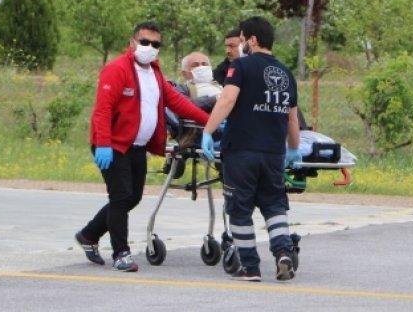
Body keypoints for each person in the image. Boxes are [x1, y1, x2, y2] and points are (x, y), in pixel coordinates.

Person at [75, 22, 210, 272]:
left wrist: (211, 122)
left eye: (155, 44)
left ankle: (88, 235)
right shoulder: (116, 70)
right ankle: (121, 253)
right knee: (121, 196)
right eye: (144, 42)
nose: (149, 48)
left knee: (133, 197)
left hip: (136, 145)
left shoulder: (154, 74)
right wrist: (103, 143)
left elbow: (178, 103)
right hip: (113, 145)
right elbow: (102, 110)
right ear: (132, 43)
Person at [200, 16, 302, 283]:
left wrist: (208, 132)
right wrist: (293, 148)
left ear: (252, 40)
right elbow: (292, 117)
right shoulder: (286, 73)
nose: (241, 44)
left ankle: (250, 267)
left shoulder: (241, 67)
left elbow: (227, 100)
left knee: (240, 209)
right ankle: (282, 252)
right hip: (273, 154)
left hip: (242, 150)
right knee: (274, 205)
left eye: (242, 39)